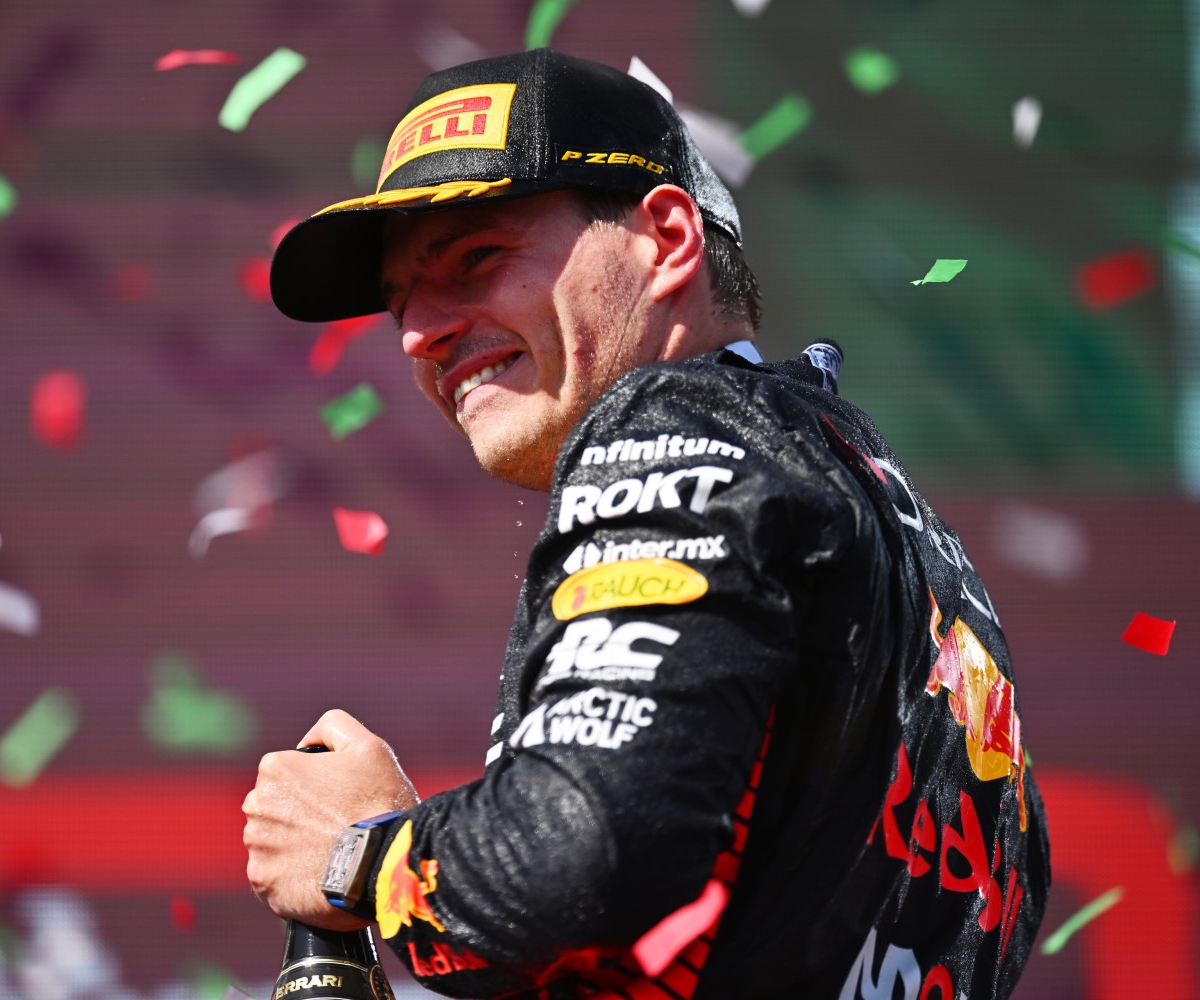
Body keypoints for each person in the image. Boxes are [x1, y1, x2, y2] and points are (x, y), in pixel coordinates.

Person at [244, 49, 1050, 999]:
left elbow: (588, 852)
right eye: (400, 302)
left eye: (476, 259)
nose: (422, 331)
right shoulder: (908, 538)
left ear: (667, 240)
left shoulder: (679, 424)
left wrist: (360, 858)